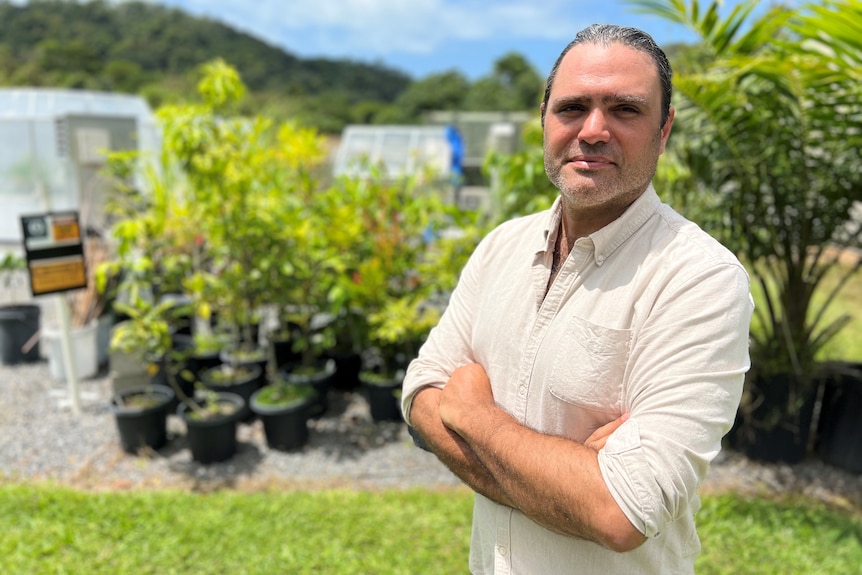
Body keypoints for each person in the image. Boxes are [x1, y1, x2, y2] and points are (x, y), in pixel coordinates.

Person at [401, 24, 753, 574]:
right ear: (544, 121)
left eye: (625, 110)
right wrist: (574, 478)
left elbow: (622, 512)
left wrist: (470, 413)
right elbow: (420, 391)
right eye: (572, 108)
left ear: (664, 131)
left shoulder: (698, 278)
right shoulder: (502, 247)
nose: (593, 130)